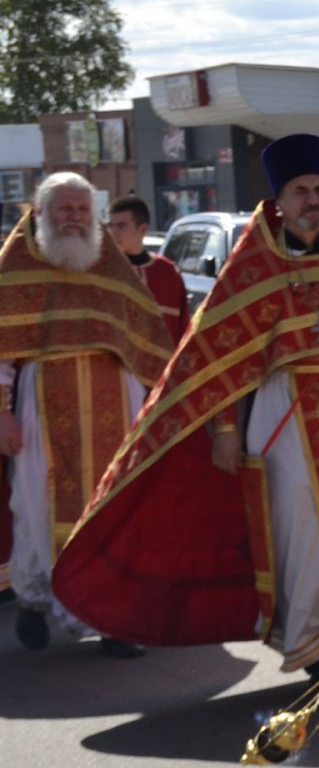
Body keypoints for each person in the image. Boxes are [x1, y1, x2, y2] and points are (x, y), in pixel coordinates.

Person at [54, 135, 319, 678]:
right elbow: (217, 361)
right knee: (302, 538)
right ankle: (312, 644)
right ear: (279, 200)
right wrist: (225, 430)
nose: (312, 199)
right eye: (300, 190)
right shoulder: (251, 271)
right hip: (288, 420)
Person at [0, 175, 170, 654]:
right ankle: (35, 603)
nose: (74, 216)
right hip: (42, 409)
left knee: (114, 511)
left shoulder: (108, 265)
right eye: (64, 208)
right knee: (35, 508)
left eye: (81, 208)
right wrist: (1, 415)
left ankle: (113, 620)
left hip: (115, 403)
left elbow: (144, 341)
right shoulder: (15, 266)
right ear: (40, 212)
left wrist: (153, 411)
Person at [105, 193, 189, 344]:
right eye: (111, 226)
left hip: (163, 363)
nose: (113, 233)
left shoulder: (168, 272)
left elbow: (183, 326)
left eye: (121, 226)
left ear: (142, 229)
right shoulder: (104, 270)